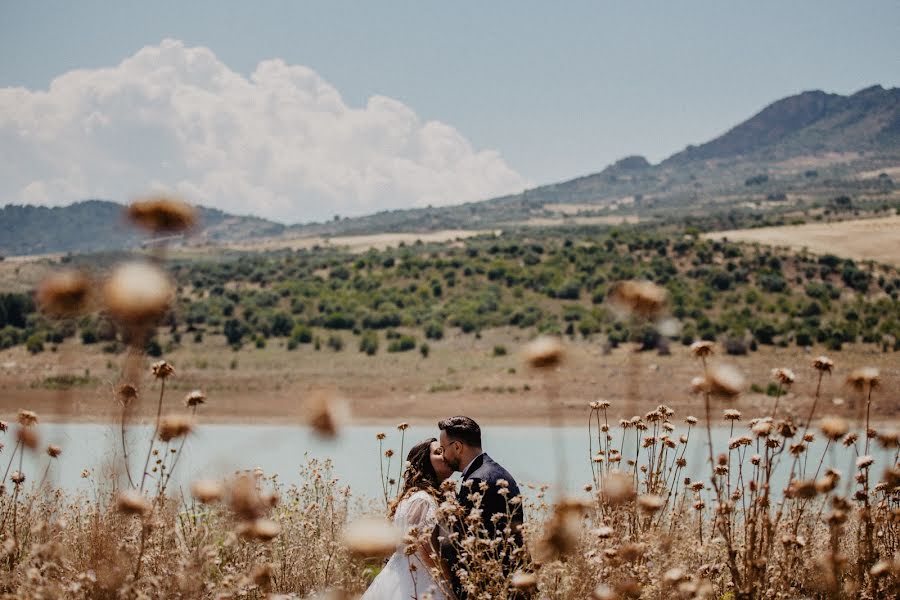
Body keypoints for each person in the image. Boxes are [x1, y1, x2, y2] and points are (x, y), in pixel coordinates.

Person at [437, 416, 528, 599]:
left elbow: (471, 541)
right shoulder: (494, 471)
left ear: (457, 447)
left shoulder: (478, 481)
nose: (443, 456)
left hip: (494, 585)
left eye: (443, 448)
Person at [361, 438, 455, 600]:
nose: (445, 456)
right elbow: (425, 548)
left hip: (402, 574)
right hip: (418, 580)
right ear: (424, 462)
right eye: (438, 452)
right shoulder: (423, 499)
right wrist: (449, 584)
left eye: (444, 451)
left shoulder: (415, 496)